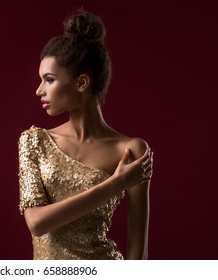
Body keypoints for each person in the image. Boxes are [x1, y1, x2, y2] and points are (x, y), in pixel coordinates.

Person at [18, 9, 153, 260]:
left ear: (81, 83)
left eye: (49, 80)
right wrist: (116, 184)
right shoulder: (34, 142)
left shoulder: (132, 150)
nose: (39, 91)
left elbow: (138, 252)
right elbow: (36, 223)